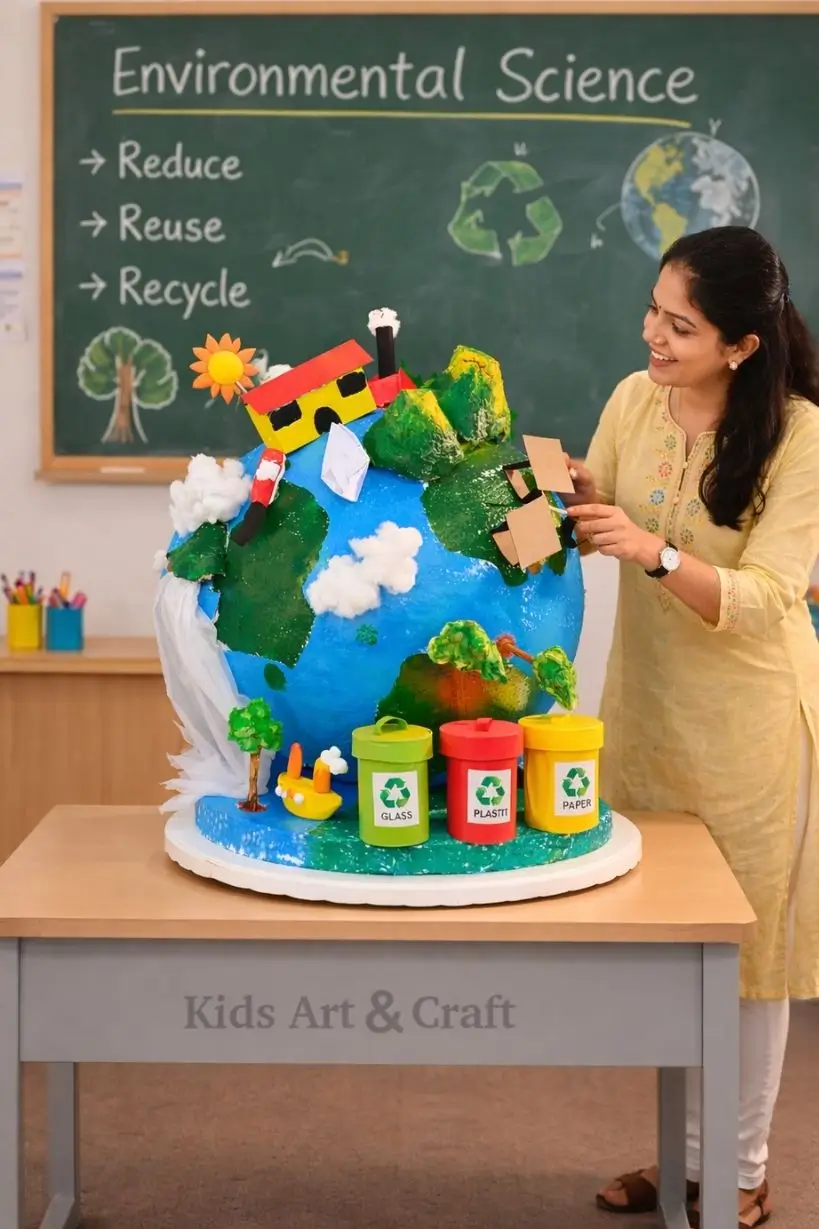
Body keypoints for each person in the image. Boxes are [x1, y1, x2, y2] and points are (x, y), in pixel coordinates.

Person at [564, 226, 819, 1229]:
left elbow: (769, 597)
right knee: (667, 946)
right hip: (649, 709)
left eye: (680, 324)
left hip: (753, 725)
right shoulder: (636, 397)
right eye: (653, 309)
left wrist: (653, 550)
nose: (652, 334)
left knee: (749, 958)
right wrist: (576, 499)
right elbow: (610, 507)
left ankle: (743, 1174)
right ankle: (684, 1158)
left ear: (741, 344)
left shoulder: (800, 433)